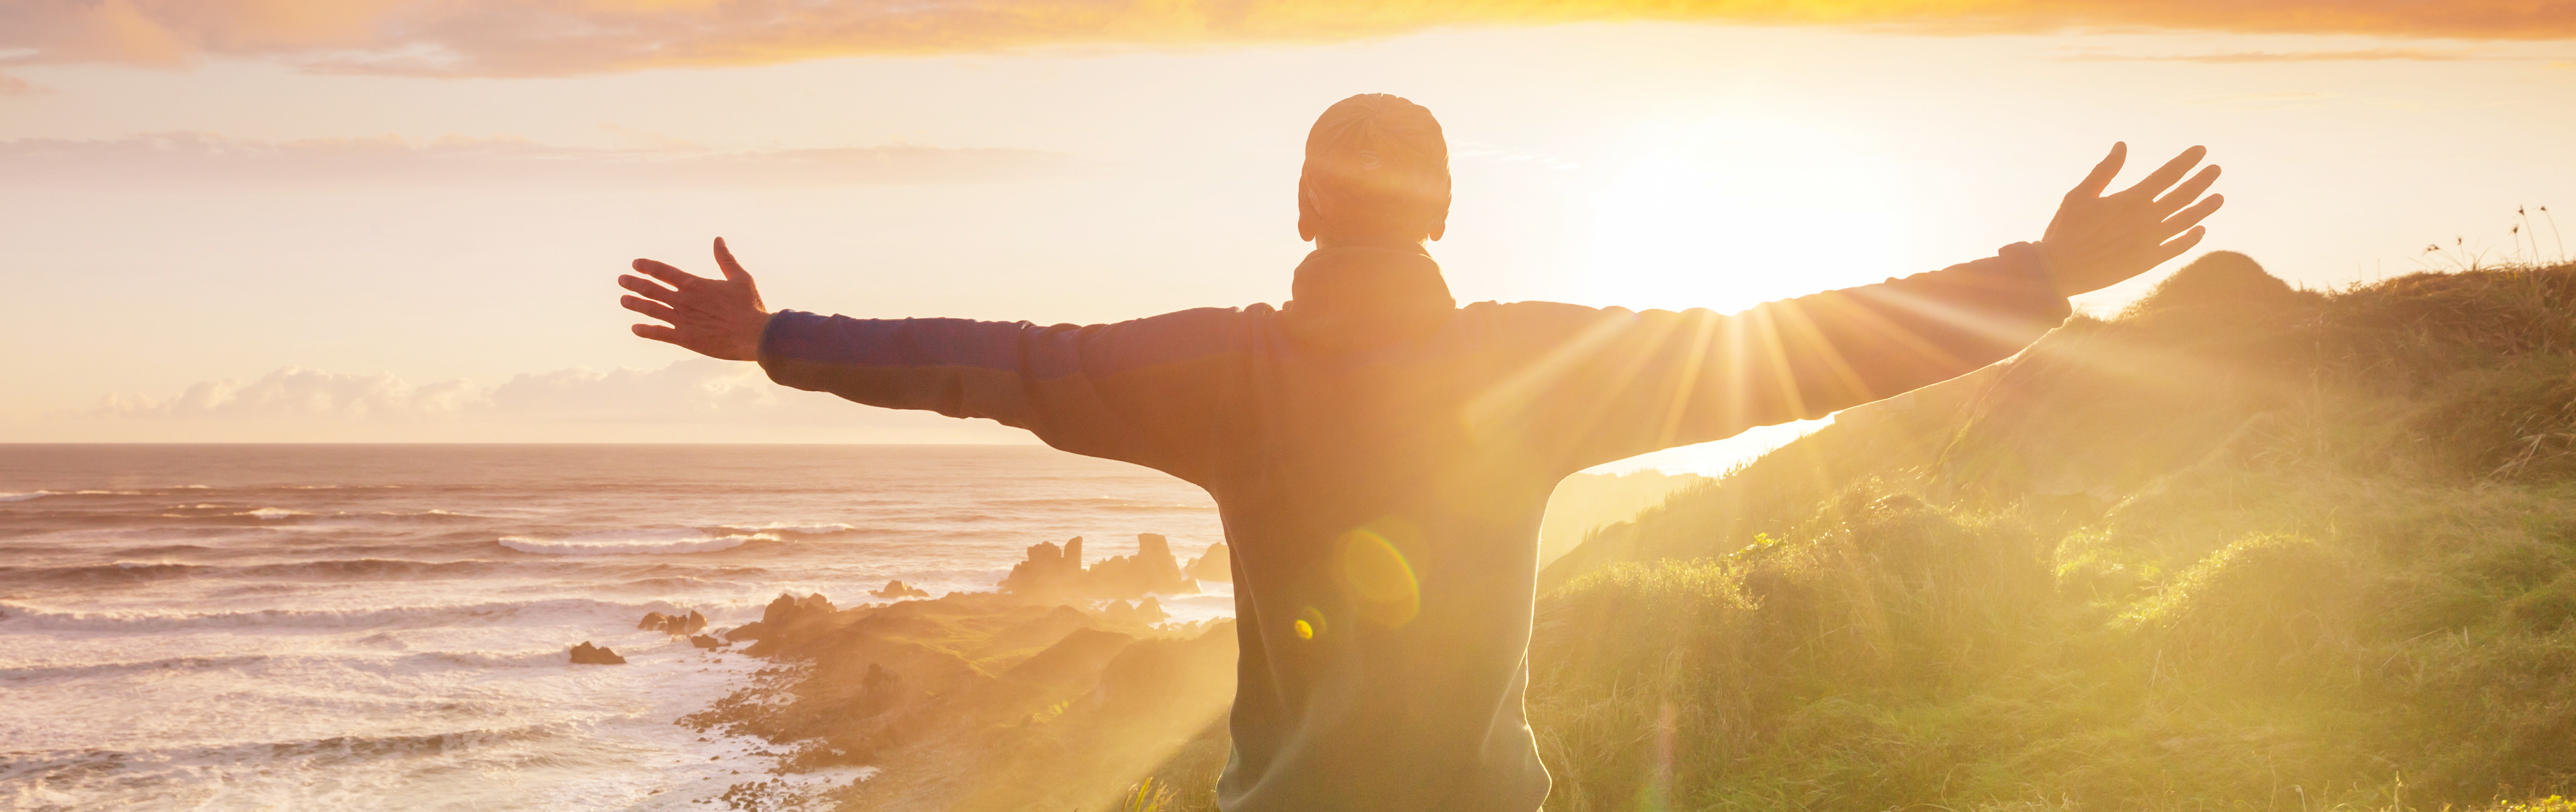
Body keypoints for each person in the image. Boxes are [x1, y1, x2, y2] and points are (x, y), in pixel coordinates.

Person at [615, 94, 2222, 811]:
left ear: (1306, 208)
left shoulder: (1209, 371)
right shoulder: (1537, 365)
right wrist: (2039, 280)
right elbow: (1808, 343)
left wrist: (776, 337)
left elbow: (995, 367)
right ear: (1446, 211)